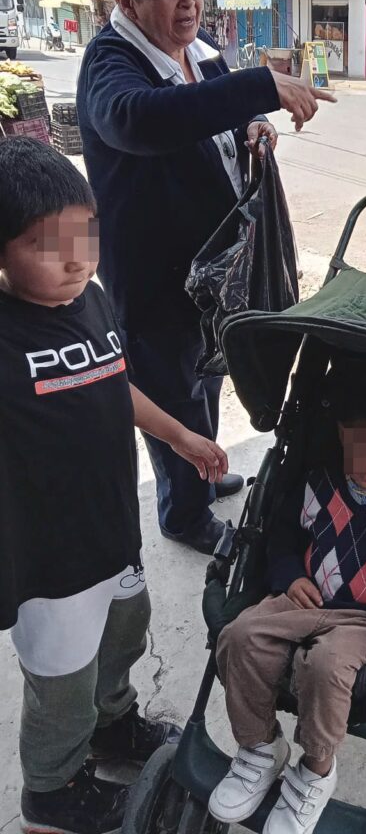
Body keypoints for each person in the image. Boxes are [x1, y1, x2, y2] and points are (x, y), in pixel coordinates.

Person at [77, 0, 335, 555]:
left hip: (216, 271)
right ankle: (184, 513)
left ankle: (206, 468)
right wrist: (257, 89)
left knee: (209, 375)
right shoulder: (110, 64)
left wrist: (253, 125)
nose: (186, 0)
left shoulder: (203, 54)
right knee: (170, 391)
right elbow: (141, 120)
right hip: (157, 276)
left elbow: (219, 121)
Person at [0, 137, 230, 834]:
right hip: (47, 555)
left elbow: (113, 383)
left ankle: (114, 724)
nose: (77, 258)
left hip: (110, 529)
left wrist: (180, 435)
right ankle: (53, 789)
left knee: (124, 633)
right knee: (61, 681)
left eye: (86, 236)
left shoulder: (91, 300)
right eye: (48, 245)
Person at [209, 375, 366, 833]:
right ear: (342, 439)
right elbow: (283, 538)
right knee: (239, 635)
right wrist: (288, 573)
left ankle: (315, 769)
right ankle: (260, 747)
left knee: (327, 665)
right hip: (302, 595)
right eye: (360, 448)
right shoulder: (318, 486)